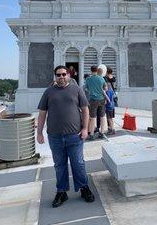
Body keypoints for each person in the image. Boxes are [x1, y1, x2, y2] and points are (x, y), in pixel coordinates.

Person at [37, 65, 95, 208]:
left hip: (74, 136)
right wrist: (39, 132)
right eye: (58, 75)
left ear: (69, 75)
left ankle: (84, 188)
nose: (61, 77)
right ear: (55, 77)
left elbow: (85, 110)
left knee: (78, 163)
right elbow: (42, 113)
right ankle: (61, 192)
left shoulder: (77, 90)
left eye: (64, 74)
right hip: (55, 137)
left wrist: (85, 129)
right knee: (59, 166)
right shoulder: (48, 92)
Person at [85, 66, 110, 140]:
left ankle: (92, 134)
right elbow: (105, 88)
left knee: (93, 118)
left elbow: (86, 88)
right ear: (97, 70)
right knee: (102, 117)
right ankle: (102, 133)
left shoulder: (88, 79)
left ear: (91, 71)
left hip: (92, 100)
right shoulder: (101, 78)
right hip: (101, 99)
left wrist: (91, 91)